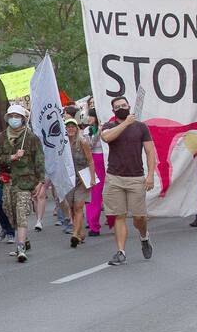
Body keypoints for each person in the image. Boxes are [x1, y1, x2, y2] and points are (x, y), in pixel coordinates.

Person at [100, 95, 157, 266]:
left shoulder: (141, 127)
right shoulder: (109, 125)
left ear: (129, 106)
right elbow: (106, 138)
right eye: (117, 107)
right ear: (113, 111)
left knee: (139, 217)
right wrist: (125, 123)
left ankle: (144, 236)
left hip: (135, 177)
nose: (121, 108)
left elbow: (150, 151)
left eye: (124, 105)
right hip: (115, 177)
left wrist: (150, 174)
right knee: (120, 215)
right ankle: (121, 252)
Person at [0, 104, 44, 263]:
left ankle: (20, 246)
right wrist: (12, 157)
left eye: (17, 116)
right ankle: (23, 238)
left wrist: (40, 181)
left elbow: (39, 160)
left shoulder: (31, 138)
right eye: (12, 116)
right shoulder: (1, 138)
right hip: (7, 180)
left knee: (22, 211)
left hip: (25, 182)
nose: (14, 119)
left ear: (23, 119)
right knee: (10, 211)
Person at [64, 117, 93, 247]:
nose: (70, 129)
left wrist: (92, 178)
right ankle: (80, 232)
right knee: (71, 207)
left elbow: (90, 160)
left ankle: (74, 234)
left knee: (78, 206)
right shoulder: (63, 144)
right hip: (69, 179)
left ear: (76, 129)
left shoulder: (82, 142)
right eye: (68, 127)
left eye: (72, 126)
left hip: (82, 178)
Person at [85, 107, 107, 237]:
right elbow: (89, 146)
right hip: (94, 161)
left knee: (110, 192)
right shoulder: (88, 130)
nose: (88, 118)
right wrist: (98, 132)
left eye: (91, 116)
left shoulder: (107, 126)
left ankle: (113, 220)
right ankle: (93, 224)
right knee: (94, 193)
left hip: (106, 160)